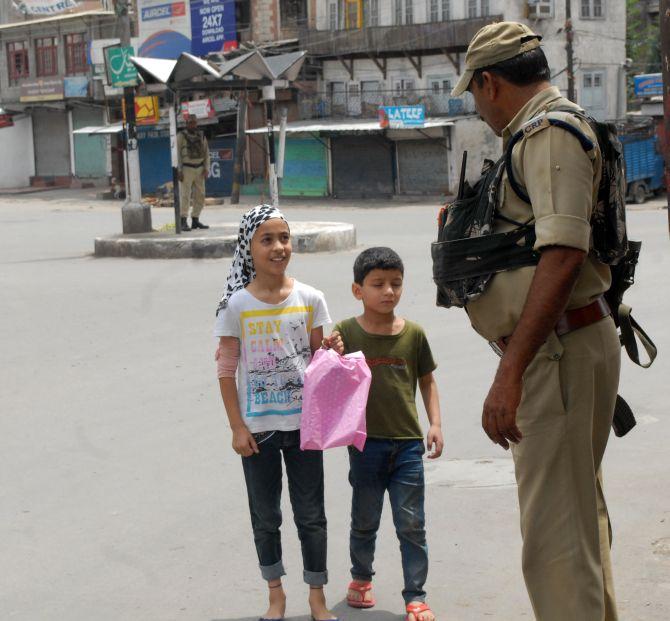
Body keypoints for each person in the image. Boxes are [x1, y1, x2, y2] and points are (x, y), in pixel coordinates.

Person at [450, 22, 621, 620]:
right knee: (575, 525)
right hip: (564, 344)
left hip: (557, 349)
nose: (477, 105)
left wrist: (510, 372)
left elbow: (564, 253)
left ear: (490, 83)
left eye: (474, 92)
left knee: (556, 540)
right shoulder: (541, 132)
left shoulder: (549, 133)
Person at [214, 205, 338, 621]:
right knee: (266, 517)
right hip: (259, 432)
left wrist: (333, 350)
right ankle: (275, 594)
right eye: (267, 239)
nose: (278, 247)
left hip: (306, 428)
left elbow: (323, 359)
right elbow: (226, 371)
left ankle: (317, 596)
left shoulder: (311, 299)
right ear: (248, 247)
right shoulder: (236, 305)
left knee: (311, 516)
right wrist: (236, 427)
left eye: (284, 238)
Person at [324, 247, 444, 621]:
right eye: (378, 284)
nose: (388, 291)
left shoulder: (414, 334)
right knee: (365, 518)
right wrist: (331, 350)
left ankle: (416, 596)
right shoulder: (345, 331)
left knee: (412, 524)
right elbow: (329, 375)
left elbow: (427, 381)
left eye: (395, 283)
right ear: (358, 290)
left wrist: (435, 424)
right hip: (365, 444)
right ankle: (361, 579)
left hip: (408, 444)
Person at [178, 116, 210, 231]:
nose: (193, 125)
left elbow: (206, 153)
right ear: (186, 123)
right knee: (185, 195)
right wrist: (179, 170)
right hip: (187, 169)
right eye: (190, 123)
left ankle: (195, 220)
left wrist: (207, 168)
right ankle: (183, 221)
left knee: (200, 195)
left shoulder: (201, 135)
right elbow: (177, 154)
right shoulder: (181, 136)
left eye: (194, 123)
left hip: (200, 169)